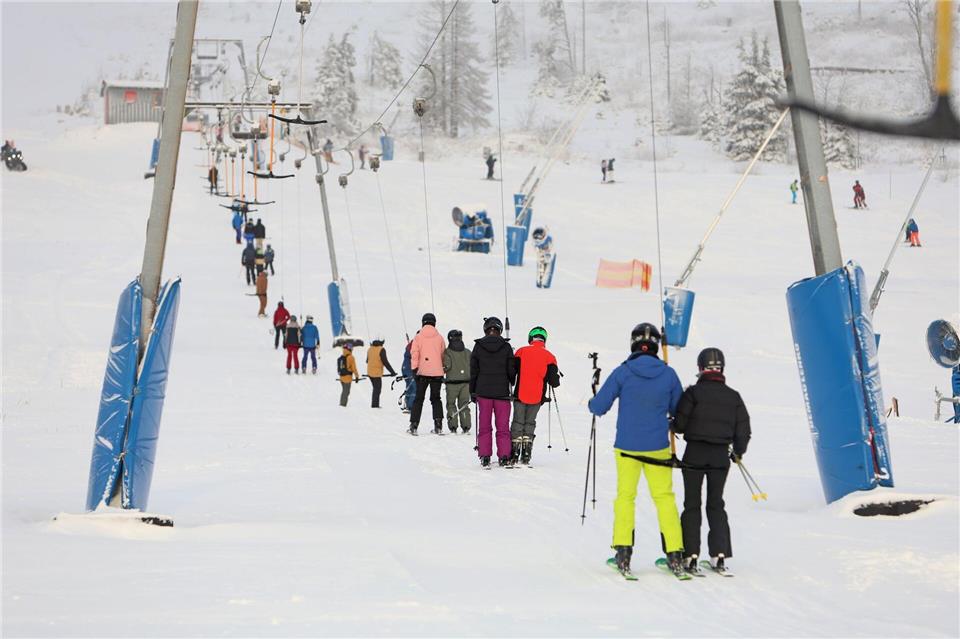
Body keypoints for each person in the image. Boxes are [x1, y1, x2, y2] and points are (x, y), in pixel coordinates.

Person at [587, 323, 685, 578]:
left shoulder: (624, 372)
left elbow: (599, 407)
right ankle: (675, 553)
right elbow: (680, 412)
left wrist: (592, 398)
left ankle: (623, 552)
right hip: (658, 448)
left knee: (625, 498)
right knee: (664, 498)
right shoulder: (668, 373)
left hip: (627, 448)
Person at [672, 347, 751, 576]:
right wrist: (738, 452)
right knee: (716, 503)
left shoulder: (693, 393)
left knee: (692, 504)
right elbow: (743, 430)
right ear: (721, 368)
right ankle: (719, 554)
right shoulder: (733, 396)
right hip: (719, 457)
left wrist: (674, 422)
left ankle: (690, 555)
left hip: (694, 453)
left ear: (700, 368)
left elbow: (680, 425)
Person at [511, 326, 560, 465]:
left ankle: (514, 452)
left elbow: (512, 371)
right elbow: (554, 382)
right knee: (530, 422)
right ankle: (527, 453)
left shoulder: (521, 351)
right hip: (537, 397)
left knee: (518, 422)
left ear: (530, 338)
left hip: (520, 394)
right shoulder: (550, 356)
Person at [470, 316, 516, 467]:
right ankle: (504, 456)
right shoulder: (506, 347)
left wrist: (473, 391)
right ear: (499, 329)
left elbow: (474, 372)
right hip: (502, 393)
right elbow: (511, 370)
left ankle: (484, 455)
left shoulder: (478, 347)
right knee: (502, 427)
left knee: (484, 426)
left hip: (483, 393)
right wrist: (511, 381)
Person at [409, 313, 447, 434]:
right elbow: (443, 355)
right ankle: (438, 425)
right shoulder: (439, 337)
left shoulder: (418, 337)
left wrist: (414, 369)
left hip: (422, 372)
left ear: (423, 322)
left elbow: (414, 354)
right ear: (434, 323)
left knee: (419, 399)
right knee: (436, 398)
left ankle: (414, 426)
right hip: (437, 373)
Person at [442, 329, 472, 433]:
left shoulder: (447, 352)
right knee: (464, 405)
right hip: (466, 383)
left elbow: (446, 366)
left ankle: (453, 426)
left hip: (452, 384)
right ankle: (466, 426)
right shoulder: (468, 352)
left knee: (451, 404)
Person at [367, 339, 398, 408]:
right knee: (377, 389)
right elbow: (385, 362)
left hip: (369, 372)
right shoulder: (381, 349)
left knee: (375, 388)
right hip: (376, 373)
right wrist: (392, 372)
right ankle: (375, 405)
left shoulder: (370, 349)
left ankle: (374, 404)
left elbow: (367, 360)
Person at [401, 338, 417, 414]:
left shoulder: (411, 344)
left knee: (409, 387)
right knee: (415, 387)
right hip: (410, 369)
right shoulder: (416, 345)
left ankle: (407, 404)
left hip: (405, 368)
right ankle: (410, 407)